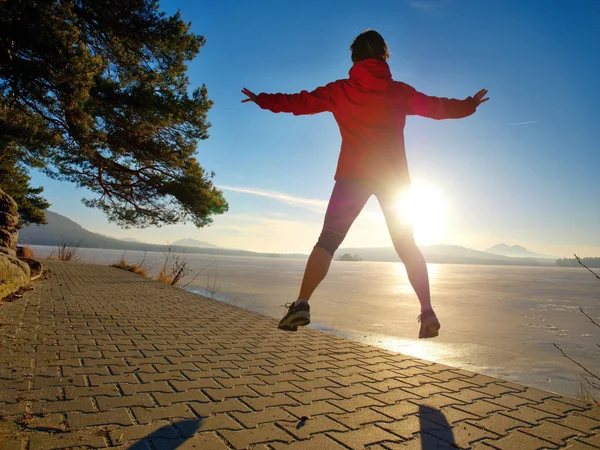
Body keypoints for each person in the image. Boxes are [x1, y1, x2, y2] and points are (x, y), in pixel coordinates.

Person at [241, 30, 488, 338]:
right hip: (394, 179)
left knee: (327, 242)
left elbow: (298, 102)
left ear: (354, 58)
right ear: (384, 56)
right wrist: (468, 105)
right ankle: (427, 311)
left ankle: (302, 303)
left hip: (352, 177)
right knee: (406, 245)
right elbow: (436, 107)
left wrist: (262, 100)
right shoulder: (398, 91)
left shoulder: (340, 90)